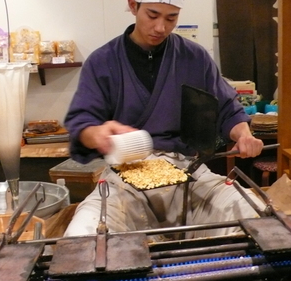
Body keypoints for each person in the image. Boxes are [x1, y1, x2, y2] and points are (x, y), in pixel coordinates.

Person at [63, 0, 266, 239]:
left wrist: (243, 134)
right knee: (83, 236)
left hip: (188, 173)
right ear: (133, 6)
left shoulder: (194, 57)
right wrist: (96, 133)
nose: (161, 27)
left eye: (171, 18)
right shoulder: (102, 61)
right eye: (153, 15)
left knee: (258, 217)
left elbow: (227, 109)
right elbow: (82, 121)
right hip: (124, 179)